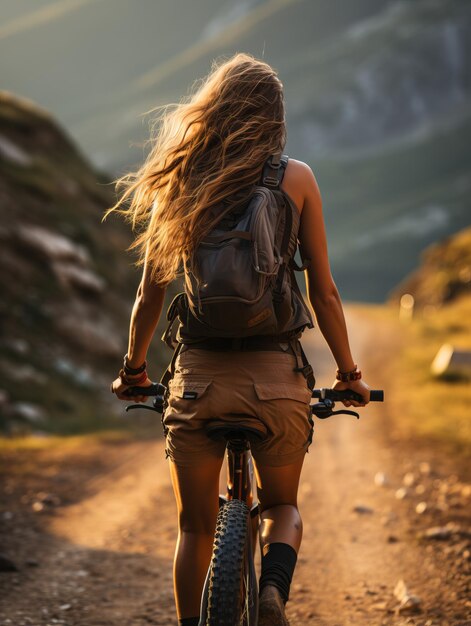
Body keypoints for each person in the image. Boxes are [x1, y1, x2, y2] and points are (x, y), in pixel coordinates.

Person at [109, 53, 370, 626]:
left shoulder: (179, 179)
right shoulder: (295, 178)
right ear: (273, 117)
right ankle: (273, 591)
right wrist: (349, 377)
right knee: (281, 507)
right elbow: (323, 292)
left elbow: (149, 295)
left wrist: (133, 369)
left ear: (213, 110)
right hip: (277, 383)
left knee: (195, 527)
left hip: (198, 382)